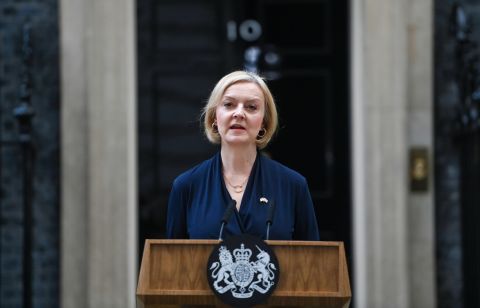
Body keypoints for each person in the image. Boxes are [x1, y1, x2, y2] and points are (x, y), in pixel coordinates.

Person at [166, 71, 319, 240]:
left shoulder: (293, 185)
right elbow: (173, 261)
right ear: (215, 117)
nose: (239, 113)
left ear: (264, 122)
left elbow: (311, 261)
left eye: (251, 107)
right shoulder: (186, 186)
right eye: (229, 105)